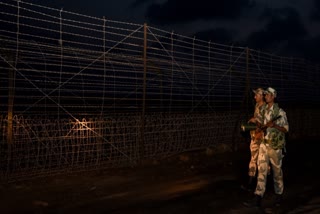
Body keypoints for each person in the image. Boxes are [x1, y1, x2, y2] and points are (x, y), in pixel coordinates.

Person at [243, 87, 289, 207]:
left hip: (275, 146)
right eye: (265, 94)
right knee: (262, 171)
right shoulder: (262, 110)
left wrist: (274, 125)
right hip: (264, 144)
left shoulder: (280, 112)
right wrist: (255, 124)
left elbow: (286, 129)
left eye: (268, 94)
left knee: (277, 172)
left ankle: (279, 195)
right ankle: (258, 196)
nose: (266, 96)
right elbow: (260, 124)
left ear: (273, 96)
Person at [241, 88, 266, 191]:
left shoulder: (265, 108)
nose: (255, 97)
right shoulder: (257, 106)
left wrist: (255, 120)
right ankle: (250, 181)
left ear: (261, 96)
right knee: (253, 159)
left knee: (262, 161)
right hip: (255, 136)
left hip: (261, 138)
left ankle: (262, 183)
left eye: (256, 95)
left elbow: (265, 122)